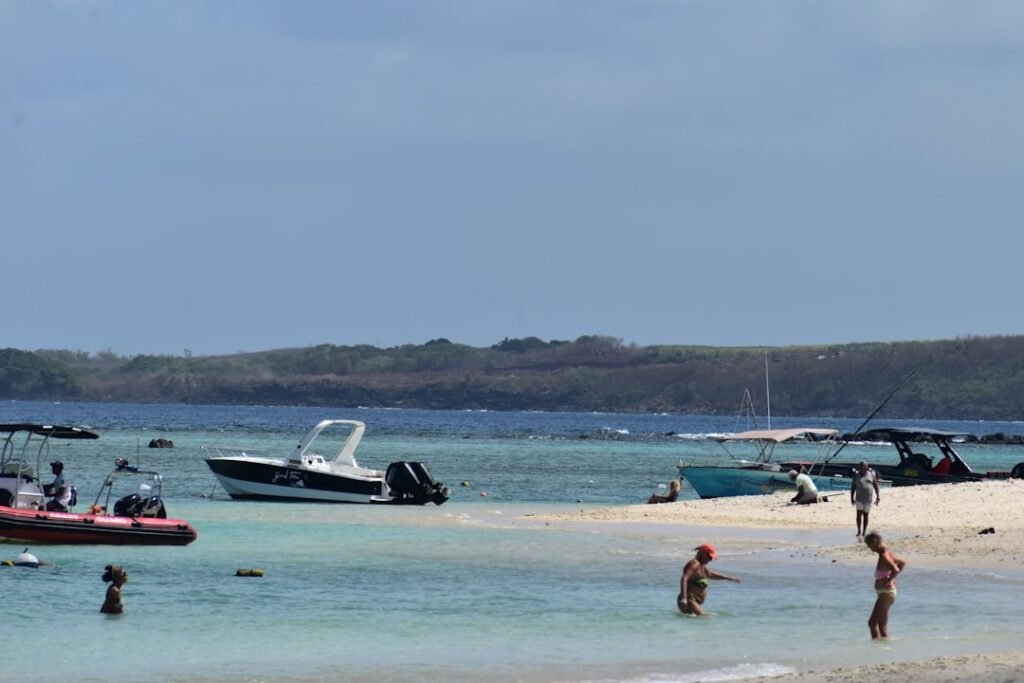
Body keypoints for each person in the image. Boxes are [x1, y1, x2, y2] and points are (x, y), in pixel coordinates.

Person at [677, 543, 740, 616]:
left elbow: (710, 574)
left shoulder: (701, 565)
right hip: (689, 600)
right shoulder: (694, 564)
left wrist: (728, 578)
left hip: (695, 601)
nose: (710, 560)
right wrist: (683, 598)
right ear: (703, 553)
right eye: (709, 557)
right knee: (705, 618)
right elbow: (684, 578)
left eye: (711, 558)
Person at [864, 531, 906, 639]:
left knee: (872, 623)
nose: (870, 549)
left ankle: (876, 650)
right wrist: (890, 578)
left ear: (874, 543)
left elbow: (895, 569)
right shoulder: (887, 553)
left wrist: (889, 579)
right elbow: (902, 563)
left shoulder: (884, 556)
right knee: (882, 626)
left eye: (869, 546)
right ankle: (883, 651)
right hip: (885, 593)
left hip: (886, 593)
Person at [851, 461, 881, 538]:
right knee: (858, 514)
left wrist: (878, 496)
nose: (863, 468)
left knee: (866, 515)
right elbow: (853, 487)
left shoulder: (871, 475)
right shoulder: (856, 475)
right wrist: (852, 498)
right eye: (861, 466)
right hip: (859, 498)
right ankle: (859, 531)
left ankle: (864, 531)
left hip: (868, 499)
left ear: (867, 467)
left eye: (864, 466)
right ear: (859, 467)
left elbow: (876, 486)